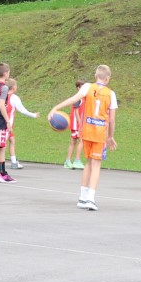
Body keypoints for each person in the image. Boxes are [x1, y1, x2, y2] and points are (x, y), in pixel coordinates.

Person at [50, 65, 118, 211]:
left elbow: (74, 99)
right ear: (108, 78)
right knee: (96, 165)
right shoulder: (111, 94)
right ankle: (90, 199)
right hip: (99, 133)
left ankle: (82, 197)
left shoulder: (87, 87)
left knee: (88, 163)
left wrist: (56, 107)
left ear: (95, 76)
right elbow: (112, 120)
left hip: (87, 131)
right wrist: (110, 136)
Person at [5, 78, 40, 170]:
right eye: (16, 85)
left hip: (3, 123)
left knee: (12, 140)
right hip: (7, 125)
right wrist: (34, 115)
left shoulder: (2, 96)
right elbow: (23, 110)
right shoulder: (14, 98)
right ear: (13, 87)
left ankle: (14, 162)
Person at [63, 80, 86, 170]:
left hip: (77, 123)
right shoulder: (78, 98)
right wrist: (80, 124)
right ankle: (77, 160)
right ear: (78, 88)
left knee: (73, 141)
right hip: (76, 123)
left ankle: (67, 161)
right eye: (82, 87)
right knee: (82, 140)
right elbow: (76, 112)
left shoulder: (84, 98)